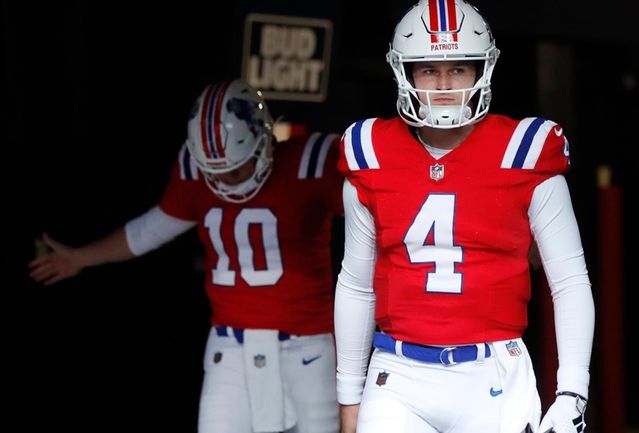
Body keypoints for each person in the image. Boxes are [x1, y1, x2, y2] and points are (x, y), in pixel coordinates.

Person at [333, 1, 595, 433]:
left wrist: (572, 392)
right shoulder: (370, 150)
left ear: (481, 71)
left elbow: (568, 280)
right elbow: (356, 285)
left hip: (492, 374)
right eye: (428, 69)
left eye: (457, 69)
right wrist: (348, 398)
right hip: (396, 374)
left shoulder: (525, 150)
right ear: (405, 73)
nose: (443, 85)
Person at [28, 80, 343, 433]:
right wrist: (80, 258)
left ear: (264, 142)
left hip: (308, 348)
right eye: (214, 170)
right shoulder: (194, 172)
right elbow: (151, 229)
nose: (224, 179)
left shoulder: (312, 161)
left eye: (234, 168)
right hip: (230, 346)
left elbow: (378, 218)